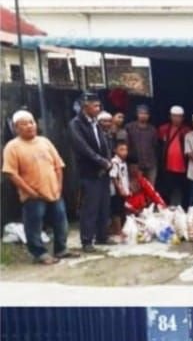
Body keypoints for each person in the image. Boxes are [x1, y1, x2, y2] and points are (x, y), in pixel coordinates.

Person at [2, 109, 78, 264]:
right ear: (16, 128)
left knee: (61, 222)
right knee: (34, 225)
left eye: (32, 122)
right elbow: (11, 174)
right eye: (25, 124)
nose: (30, 126)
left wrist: (58, 186)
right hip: (32, 196)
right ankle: (39, 253)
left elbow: (58, 166)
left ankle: (61, 249)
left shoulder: (45, 141)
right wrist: (30, 192)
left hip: (54, 192)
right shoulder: (12, 147)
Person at [69, 91, 113, 252]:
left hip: (103, 171)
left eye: (99, 105)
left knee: (104, 205)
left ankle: (102, 236)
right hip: (89, 172)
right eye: (95, 106)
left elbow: (105, 144)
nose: (98, 108)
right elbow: (83, 148)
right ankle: (87, 241)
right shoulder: (76, 124)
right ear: (84, 106)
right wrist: (101, 162)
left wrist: (107, 162)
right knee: (90, 207)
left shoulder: (96, 122)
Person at [157, 106, 190, 207]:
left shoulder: (187, 130)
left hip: (184, 168)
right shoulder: (163, 129)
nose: (176, 118)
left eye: (179, 116)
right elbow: (158, 145)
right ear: (170, 116)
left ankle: (185, 212)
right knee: (166, 192)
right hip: (168, 167)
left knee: (186, 192)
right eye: (174, 116)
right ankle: (166, 212)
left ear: (183, 118)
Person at [125, 104, 159, 184]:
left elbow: (155, 146)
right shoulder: (129, 127)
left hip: (150, 164)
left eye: (145, 114)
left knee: (150, 189)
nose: (143, 115)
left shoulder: (152, 129)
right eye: (141, 113)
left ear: (149, 115)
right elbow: (126, 146)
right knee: (135, 189)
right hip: (135, 165)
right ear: (137, 114)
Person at [109, 140, 130, 241]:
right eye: (121, 149)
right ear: (115, 150)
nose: (124, 152)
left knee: (121, 209)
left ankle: (117, 229)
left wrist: (127, 189)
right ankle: (117, 231)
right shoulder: (114, 162)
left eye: (126, 149)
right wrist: (119, 189)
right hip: (116, 191)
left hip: (123, 190)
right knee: (116, 211)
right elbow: (114, 177)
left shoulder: (123, 162)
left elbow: (124, 177)